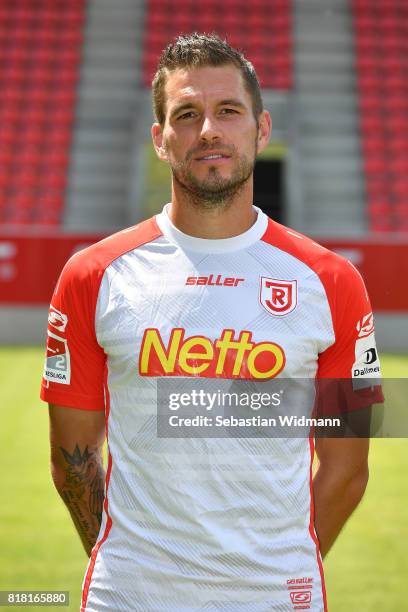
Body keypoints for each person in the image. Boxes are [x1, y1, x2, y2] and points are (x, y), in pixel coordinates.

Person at [41, 33, 382, 612]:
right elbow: (72, 455)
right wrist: (126, 555)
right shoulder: (92, 274)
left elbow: (348, 467)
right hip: (127, 595)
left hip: (275, 598)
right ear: (160, 138)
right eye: (187, 115)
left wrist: (275, 567)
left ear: (262, 129)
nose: (209, 131)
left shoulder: (331, 281)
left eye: (228, 111)